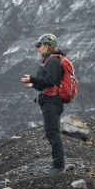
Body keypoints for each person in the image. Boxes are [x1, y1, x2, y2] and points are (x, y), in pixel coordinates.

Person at [20, 33, 67, 173]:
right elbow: (43, 85)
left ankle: (58, 166)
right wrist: (33, 83)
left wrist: (33, 79)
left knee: (52, 132)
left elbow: (50, 81)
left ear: (47, 46)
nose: (38, 49)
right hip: (50, 101)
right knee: (51, 132)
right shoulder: (49, 61)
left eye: (39, 46)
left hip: (52, 101)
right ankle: (58, 165)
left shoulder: (52, 61)